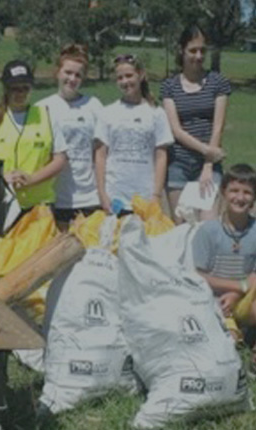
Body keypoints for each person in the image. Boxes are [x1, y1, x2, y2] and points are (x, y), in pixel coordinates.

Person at [0, 59, 67, 212]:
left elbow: (60, 160)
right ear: (6, 89)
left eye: (25, 88)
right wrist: (1, 178)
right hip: (1, 206)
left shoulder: (47, 116)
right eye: (14, 89)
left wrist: (31, 179)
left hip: (39, 207)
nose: (20, 93)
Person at [160, 25, 231, 223]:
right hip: (178, 164)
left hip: (209, 164)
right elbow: (175, 130)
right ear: (182, 50)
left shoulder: (218, 82)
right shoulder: (169, 86)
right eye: (193, 50)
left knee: (208, 225)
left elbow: (218, 127)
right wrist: (207, 150)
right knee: (181, 227)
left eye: (202, 50)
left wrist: (208, 163)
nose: (198, 56)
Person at [192, 164, 256, 367]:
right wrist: (238, 286)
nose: (240, 197)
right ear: (222, 193)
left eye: (247, 192)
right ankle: (235, 337)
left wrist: (238, 294)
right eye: (234, 191)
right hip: (212, 301)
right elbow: (198, 276)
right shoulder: (208, 231)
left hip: (243, 298)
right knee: (227, 347)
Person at [94, 54, 173, 212]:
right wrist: (102, 194)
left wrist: (156, 195)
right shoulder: (107, 113)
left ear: (141, 75)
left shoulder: (156, 113)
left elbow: (161, 156)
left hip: (145, 197)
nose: (125, 82)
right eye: (120, 78)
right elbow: (101, 155)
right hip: (115, 196)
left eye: (129, 76)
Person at [36, 44, 102, 226]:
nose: (72, 79)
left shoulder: (94, 105)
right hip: (57, 198)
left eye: (78, 75)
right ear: (57, 72)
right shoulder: (42, 108)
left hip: (89, 197)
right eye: (68, 72)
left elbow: (101, 152)